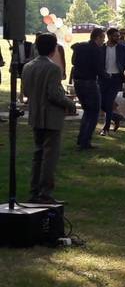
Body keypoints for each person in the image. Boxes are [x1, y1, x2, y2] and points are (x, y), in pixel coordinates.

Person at [22, 33, 76, 204]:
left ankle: (34, 191)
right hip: (51, 116)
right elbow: (54, 94)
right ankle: (45, 193)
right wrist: (70, 103)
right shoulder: (53, 68)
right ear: (54, 49)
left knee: (37, 155)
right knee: (49, 157)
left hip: (35, 114)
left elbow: (26, 92)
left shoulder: (28, 66)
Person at [71, 27, 106, 150]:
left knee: (87, 111)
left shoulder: (80, 47)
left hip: (78, 82)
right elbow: (99, 68)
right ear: (98, 37)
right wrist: (107, 77)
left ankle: (81, 138)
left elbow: (73, 61)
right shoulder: (96, 50)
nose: (103, 41)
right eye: (103, 38)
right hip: (90, 82)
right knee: (94, 112)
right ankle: (85, 141)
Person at [98, 27, 125, 137]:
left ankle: (106, 128)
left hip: (116, 79)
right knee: (101, 103)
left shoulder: (121, 48)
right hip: (103, 78)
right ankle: (115, 117)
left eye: (119, 36)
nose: (119, 37)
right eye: (116, 36)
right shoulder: (102, 48)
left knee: (108, 102)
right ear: (109, 37)